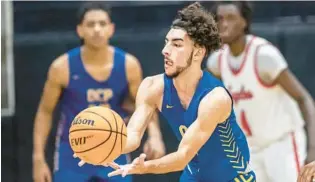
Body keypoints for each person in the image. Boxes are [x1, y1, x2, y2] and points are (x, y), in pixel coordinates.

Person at [76, 2, 256, 182]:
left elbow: (182, 156)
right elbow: (133, 136)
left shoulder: (215, 98)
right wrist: (100, 146)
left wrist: (143, 167)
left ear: (198, 53)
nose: (165, 51)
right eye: (166, 42)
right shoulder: (152, 87)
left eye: (176, 45)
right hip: (195, 175)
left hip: (233, 178)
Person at [32, 2, 165, 182]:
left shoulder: (128, 65)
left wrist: (155, 136)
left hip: (114, 145)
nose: (97, 29)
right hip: (73, 149)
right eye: (90, 24)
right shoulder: (61, 67)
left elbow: (144, 105)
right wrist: (38, 158)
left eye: (102, 24)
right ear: (80, 30)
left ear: (111, 29)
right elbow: (45, 112)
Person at [206, 1, 315, 182]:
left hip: (282, 145)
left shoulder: (264, 56)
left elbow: (304, 99)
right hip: (251, 148)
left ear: (244, 22)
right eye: (219, 18)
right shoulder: (217, 62)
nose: (223, 24)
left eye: (231, 18)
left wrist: (313, 150)